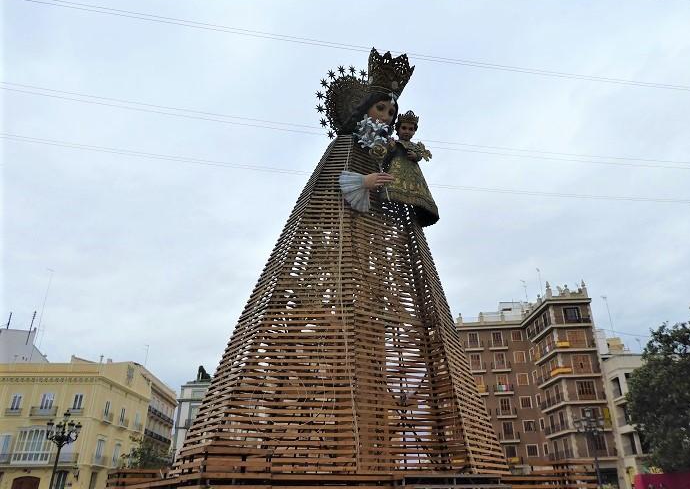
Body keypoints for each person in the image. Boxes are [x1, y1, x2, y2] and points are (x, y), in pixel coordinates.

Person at [172, 48, 505, 479]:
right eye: (382, 108)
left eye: (391, 110)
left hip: (380, 250)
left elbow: (394, 184)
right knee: (336, 345)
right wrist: (364, 181)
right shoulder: (348, 145)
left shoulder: (385, 151)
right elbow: (331, 186)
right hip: (337, 251)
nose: (387, 116)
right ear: (365, 109)